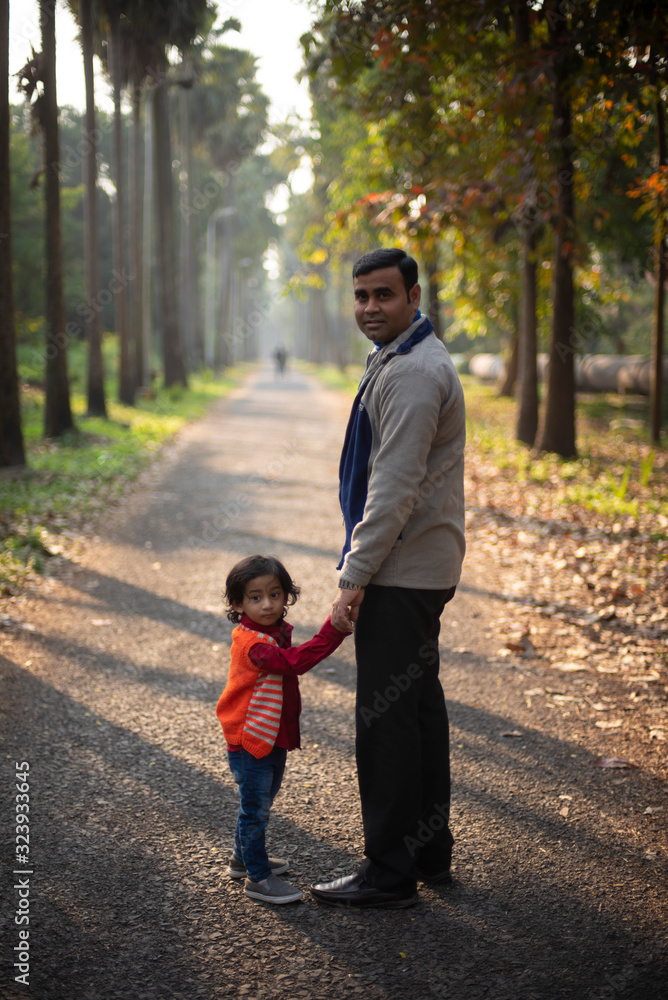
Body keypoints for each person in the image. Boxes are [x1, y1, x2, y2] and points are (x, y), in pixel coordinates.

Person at [309, 248, 466, 909]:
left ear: (413, 296)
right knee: (417, 710)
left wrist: (355, 576)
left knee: (387, 724)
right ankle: (427, 852)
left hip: (401, 571)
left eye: (384, 295)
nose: (370, 307)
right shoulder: (403, 357)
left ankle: (389, 873)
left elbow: (393, 489)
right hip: (417, 565)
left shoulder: (413, 374)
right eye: (361, 295)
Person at [216, 554, 351, 905]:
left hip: (270, 735)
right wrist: (333, 630)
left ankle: (242, 860)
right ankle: (258, 878)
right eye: (256, 597)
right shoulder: (255, 645)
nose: (268, 604)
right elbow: (295, 663)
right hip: (251, 740)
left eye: (275, 594)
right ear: (238, 604)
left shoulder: (271, 633)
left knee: (259, 801)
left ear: (286, 596)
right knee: (255, 810)